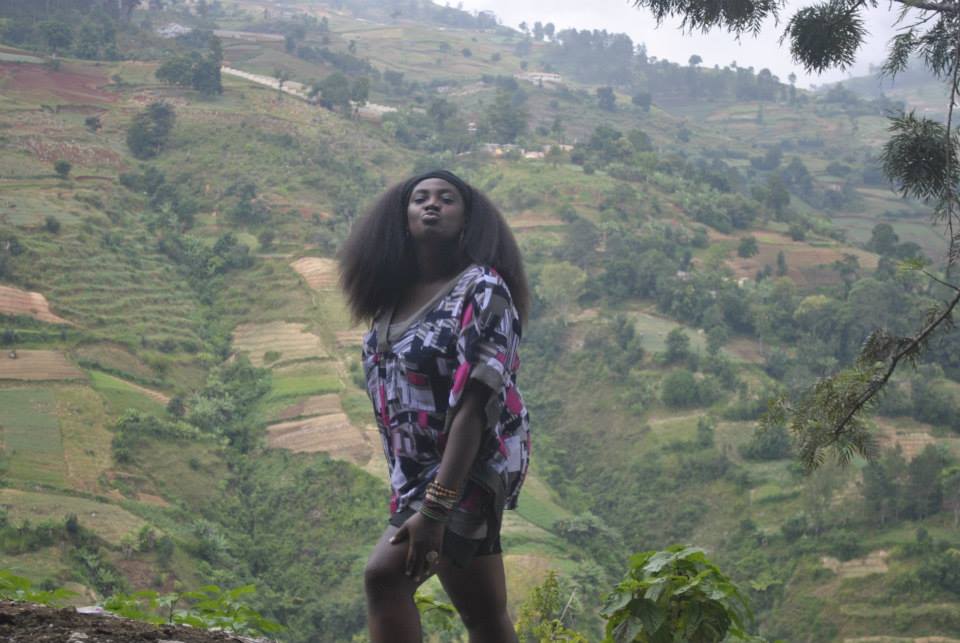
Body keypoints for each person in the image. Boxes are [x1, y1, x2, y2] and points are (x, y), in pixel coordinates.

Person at [339, 170, 531, 643]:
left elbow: (477, 405)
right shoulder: (392, 297)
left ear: (467, 219)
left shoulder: (482, 289)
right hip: (415, 473)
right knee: (483, 611)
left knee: (385, 577)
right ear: (402, 218)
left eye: (447, 199)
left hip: (466, 466)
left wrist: (437, 507)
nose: (432, 205)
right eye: (420, 198)